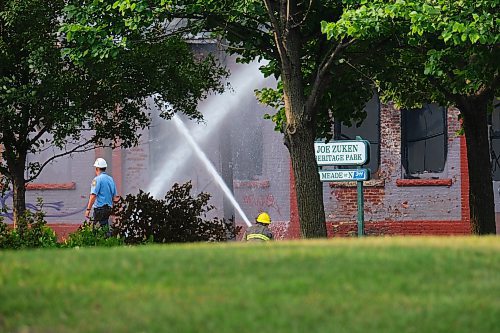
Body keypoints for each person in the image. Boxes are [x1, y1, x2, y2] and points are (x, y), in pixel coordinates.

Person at [85, 158, 119, 229]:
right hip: (108, 209)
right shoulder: (110, 179)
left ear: (97, 168)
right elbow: (115, 197)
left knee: (96, 230)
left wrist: (88, 209)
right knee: (104, 227)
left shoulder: (96, 180)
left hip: (99, 209)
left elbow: (93, 196)